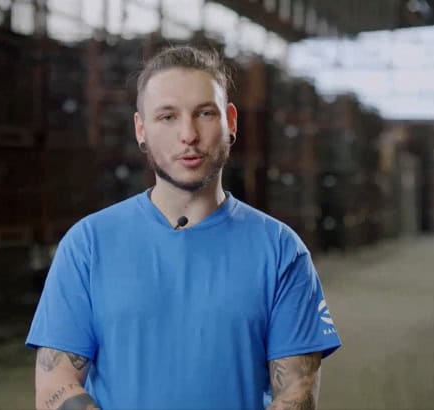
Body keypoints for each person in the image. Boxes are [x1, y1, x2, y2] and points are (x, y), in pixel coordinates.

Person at [26, 45, 341, 410]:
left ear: (231, 121)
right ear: (140, 129)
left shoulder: (281, 251)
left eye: (205, 113)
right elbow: (55, 385)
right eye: (167, 117)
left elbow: (296, 396)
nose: (188, 134)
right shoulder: (88, 245)